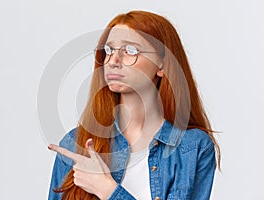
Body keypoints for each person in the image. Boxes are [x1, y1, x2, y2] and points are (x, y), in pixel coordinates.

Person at [47, 10, 220, 200]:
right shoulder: (76, 145)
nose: (113, 61)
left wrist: (107, 190)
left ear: (161, 64)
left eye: (130, 51)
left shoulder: (192, 147)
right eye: (109, 50)